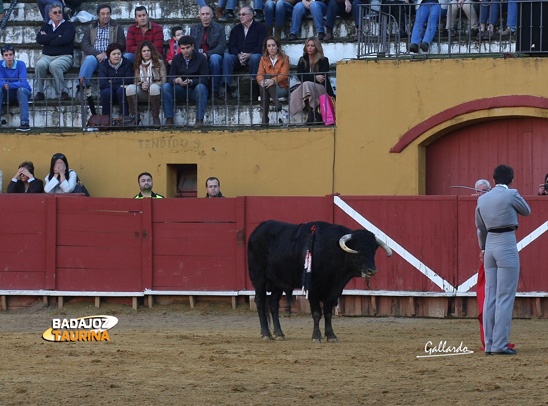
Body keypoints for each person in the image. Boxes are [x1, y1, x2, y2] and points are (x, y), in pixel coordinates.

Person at [475, 164, 531, 355]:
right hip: (506, 243)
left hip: (489, 244)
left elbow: (480, 228)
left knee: (490, 296)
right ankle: (500, 345)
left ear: (493, 179)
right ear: (511, 179)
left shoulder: (482, 200)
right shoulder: (512, 194)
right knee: (505, 296)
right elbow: (526, 211)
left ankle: (489, 344)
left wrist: (483, 248)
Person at [162, 35, 209, 129]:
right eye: (183, 48)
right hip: (180, 89)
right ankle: (169, 118)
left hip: (195, 90)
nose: (185, 51)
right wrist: (175, 80)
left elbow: (205, 78)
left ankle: (199, 120)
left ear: (192, 46)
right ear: (180, 48)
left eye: (187, 48)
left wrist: (191, 81)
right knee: (165, 86)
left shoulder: (201, 58)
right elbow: (170, 76)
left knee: (201, 87)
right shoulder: (176, 58)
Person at [220, 6, 266, 97]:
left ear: (251, 15)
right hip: (238, 57)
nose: (241, 16)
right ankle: (226, 88)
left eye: (243, 14)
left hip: (252, 55)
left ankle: (254, 87)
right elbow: (231, 46)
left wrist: (249, 54)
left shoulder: (260, 28)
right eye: (240, 14)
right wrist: (238, 55)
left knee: (256, 57)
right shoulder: (236, 29)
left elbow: (262, 45)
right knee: (227, 58)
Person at [78, 4, 126, 89]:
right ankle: (82, 88)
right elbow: (85, 45)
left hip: (111, 57)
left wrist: (107, 54)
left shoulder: (117, 28)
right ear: (98, 15)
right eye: (103, 14)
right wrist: (97, 54)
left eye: (108, 14)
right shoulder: (90, 28)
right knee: (89, 59)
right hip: (94, 57)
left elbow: (121, 44)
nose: (106, 16)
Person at [34, 4, 75, 101]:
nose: (58, 14)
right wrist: (57, 36)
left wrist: (47, 38)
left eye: (60, 12)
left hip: (64, 56)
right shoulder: (46, 26)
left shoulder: (69, 26)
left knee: (54, 65)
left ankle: (63, 91)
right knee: (39, 64)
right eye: (55, 12)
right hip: (47, 56)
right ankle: (39, 92)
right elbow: (39, 39)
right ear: (50, 15)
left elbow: (65, 40)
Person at [289, 37, 334, 124]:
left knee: (307, 85)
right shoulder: (302, 60)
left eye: (312, 46)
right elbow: (300, 76)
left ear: (317, 47)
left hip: (321, 88)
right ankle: (314, 113)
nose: (309, 48)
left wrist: (310, 78)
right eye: (308, 45)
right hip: (307, 88)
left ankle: (311, 116)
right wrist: (315, 77)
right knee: (305, 86)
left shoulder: (324, 60)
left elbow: (322, 78)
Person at [126, 41, 166, 127]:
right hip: (143, 92)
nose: (146, 53)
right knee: (130, 88)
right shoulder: (138, 64)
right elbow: (135, 81)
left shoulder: (159, 63)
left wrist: (150, 84)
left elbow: (164, 80)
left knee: (154, 87)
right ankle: (135, 117)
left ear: (152, 51)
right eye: (144, 51)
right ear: (140, 53)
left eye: (148, 50)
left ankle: (155, 118)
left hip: (156, 92)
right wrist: (141, 85)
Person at [190, 6, 227, 98]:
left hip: (213, 55)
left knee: (214, 59)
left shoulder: (220, 28)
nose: (205, 16)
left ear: (212, 15)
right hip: (198, 55)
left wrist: (207, 54)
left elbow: (222, 46)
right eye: (203, 14)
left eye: (207, 14)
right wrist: (199, 55)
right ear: (200, 16)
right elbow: (192, 45)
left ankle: (214, 91)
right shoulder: (194, 29)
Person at [256, 36, 289, 125]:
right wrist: (261, 81)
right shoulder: (263, 59)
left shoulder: (285, 58)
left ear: (277, 46)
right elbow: (259, 74)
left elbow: (284, 75)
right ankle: (276, 103)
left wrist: (273, 81)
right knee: (264, 83)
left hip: (282, 87)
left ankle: (264, 118)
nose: (271, 48)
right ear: (266, 48)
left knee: (267, 81)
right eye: (269, 46)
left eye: (273, 45)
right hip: (267, 87)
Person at [0, 45, 32, 131]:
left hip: (22, 93)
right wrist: (5, 85)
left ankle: (25, 123)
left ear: (14, 55)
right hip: (7, 94)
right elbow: (1, 81)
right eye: (6, 55)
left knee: (21, 90)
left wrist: (10, 85)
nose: (9, 57)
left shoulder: (20, 64)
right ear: (3, 56)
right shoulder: (0, 65)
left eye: (10, 54)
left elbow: (23, 82)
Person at [99, 43, 134, 120]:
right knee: (107, 92)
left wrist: (112, 81)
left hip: (121, 93)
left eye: (119, 53)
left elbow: (129, 80)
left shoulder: (126, 63)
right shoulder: (104, 65)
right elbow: (103, 83)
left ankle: (126, 119)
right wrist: (119, 84)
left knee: (121, 91)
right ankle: (106, 120)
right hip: (108, 92)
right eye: (114, 54)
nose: (116, 56)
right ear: (109, 55)